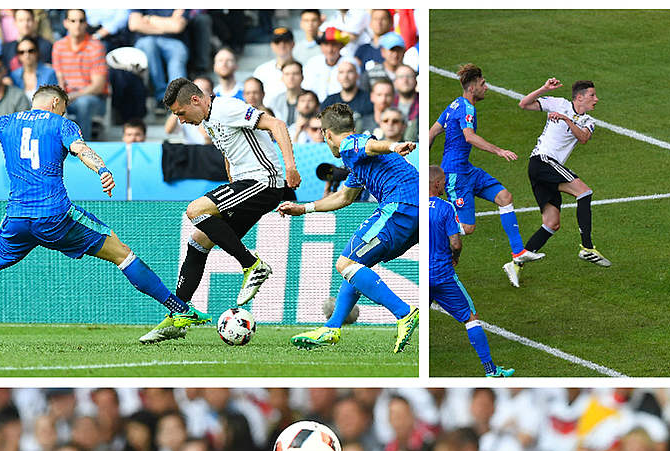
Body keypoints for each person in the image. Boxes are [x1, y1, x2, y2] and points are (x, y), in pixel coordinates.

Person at [0, 84, 207, 347]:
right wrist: (101, 169)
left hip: (18, 217)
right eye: (64, 108)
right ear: (57, 104)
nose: (64, 113)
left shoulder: (5, 122)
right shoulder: (60, 124)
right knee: (122, 254)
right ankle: (179, 309)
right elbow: (81, 148)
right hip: (55, 214)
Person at [144, 77, 301, 343]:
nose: (180, 120)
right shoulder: (208, 120)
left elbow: (277, 124)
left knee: (195, 210)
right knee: (198, 241)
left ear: (196, 100)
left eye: (181, 113)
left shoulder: (227, 108)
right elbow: (230, 154)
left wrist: (290, 167)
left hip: (264, 181)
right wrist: (231, 187)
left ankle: (252, 265)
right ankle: (179, 314)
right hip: (246, 185)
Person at [278, 102, 420, 352]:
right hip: (417, 208)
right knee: (355, 264)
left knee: (344, 264)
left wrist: (394, 146)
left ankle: (404, 313)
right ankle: (333, 327)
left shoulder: (350, 145)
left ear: (326, 134)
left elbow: (369, 145)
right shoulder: (358, 162)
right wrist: (303, 209)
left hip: (401, 204)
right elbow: (344, 197)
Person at [430, 64, 540, 280]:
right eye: (482, 84)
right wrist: (498, 150)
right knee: (467, 228)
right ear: (472, 88)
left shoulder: (454, 105)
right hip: (455, 175)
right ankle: (430, 231)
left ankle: (518, 252)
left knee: (505, 197)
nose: (486, 87)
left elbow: (432, 132)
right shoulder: (465, 109)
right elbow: (469, 136)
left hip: (468, 170)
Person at [514, 77, 605, 284]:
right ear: (579, 97)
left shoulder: (589, 121)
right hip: (542, 161)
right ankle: (587, 247)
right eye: (592, 95)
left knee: (552, 223)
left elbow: (582, 138)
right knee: (584, 192)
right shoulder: (558, 103)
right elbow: (524, 104)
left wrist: (565, 120)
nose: (596, 99)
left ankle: (517, 262)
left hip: (547, 168)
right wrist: (544, 88)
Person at [428, 165, 515, 377]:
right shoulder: (445, 207)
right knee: (471, 318)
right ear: (437, 184)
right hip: (442, 274)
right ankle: (491, 370)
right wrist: (455, 258)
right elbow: (456, 243)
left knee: (415, 315)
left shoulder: (414, 207)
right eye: (443, 183)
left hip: (422, 275)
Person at [51, 10, 109, 142]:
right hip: (67, 97)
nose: (77, 24)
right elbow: (59, 80)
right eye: (73, 21)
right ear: (65, 23)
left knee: (84, 103)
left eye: (81, 21)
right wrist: (62, 98)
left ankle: (82, 148)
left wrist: (72, 96)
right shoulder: (58, 47)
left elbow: (98, 87)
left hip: (94, 99)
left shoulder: (96, 47)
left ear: (86, 23)